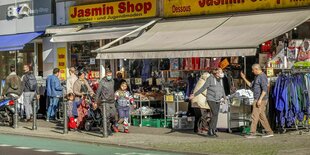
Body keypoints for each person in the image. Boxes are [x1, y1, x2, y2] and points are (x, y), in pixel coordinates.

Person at [241, 64, 274, 138]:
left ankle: (252, 133)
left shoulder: (262, 77)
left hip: (260, 99)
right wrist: (244, 78)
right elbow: (251, 85)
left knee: (254, 115)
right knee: (261, 116)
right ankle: (269, 131)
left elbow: (265, 90)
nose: (252, 71)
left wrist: (260, 100)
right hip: (258, 99)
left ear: (256, 69)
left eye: (253, 70)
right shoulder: (257, 77)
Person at [190, 68, 226, 137]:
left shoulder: (221, 79)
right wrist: (194, 95)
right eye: (221, 72)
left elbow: (222, 88)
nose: (222, 73)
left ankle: (213, 130)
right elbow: (203, 88)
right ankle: (210, 130)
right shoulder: (210, 79)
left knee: (216, 114)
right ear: (217, 73)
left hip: (218, 99)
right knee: (214, 113)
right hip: (211, 98)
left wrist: (224, 97)